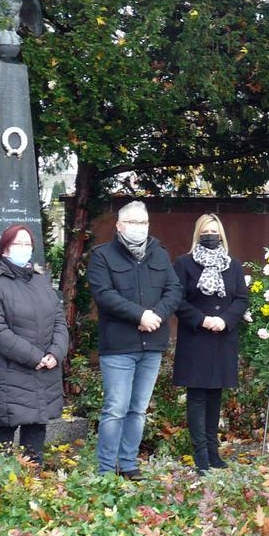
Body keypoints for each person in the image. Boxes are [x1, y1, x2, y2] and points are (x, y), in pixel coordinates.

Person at [88, 201, 183, 479]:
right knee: (116, 409)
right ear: (119, 225)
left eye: (143, 223)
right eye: (132, 223)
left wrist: (157, 315)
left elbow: (174, 289)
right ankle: (106, 470)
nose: (138, 228)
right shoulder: (102, 256)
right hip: (118, 346)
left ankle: (128, 464)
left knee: (138, 410)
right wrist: (139, 315)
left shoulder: (159, 254)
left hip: (152, 345)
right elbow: (104, 295)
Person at [0, 224, 68, 466]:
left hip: (43, 370)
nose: (24, 248)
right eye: (18, 243)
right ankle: (0, 489)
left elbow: (59, 320)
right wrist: (34, 357)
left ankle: (32, 483)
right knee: (3, 436)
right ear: (4, 248)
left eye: (28, 244)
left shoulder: (40, 280)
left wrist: (55, 353)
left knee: (36, 428)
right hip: (8, 372)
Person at [172, 214, 248, 474]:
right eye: (206, 231)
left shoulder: (233, 265)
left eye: (215, 231)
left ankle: (214, 451)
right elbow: (177, 300)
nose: (211, 235)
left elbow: (241, 299)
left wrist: (225, 320)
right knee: (197, 398)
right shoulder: (184, 264)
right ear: (198, 233)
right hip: (196, 339)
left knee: (215, 395)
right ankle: (200, 454)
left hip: (223, 339)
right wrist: (202, 320)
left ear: (222, 234)